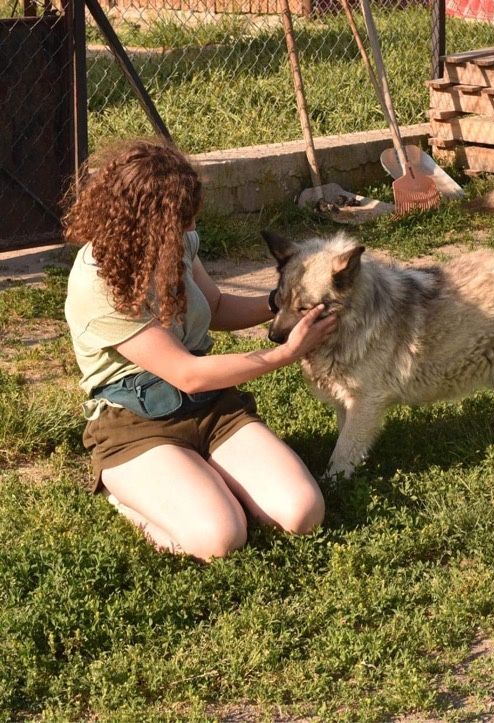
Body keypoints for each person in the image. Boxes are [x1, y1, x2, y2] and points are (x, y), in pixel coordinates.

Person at [63, 138, 336, 561]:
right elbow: (187, 372)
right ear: (146, 224)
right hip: (135, 422)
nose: (192, 230)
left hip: (208, 405)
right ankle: (130, 496)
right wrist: (287, 352)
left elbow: (219, 307)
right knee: (221, 539)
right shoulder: (96, 285)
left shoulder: (178, 245)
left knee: (303, 513)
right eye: (182, 222)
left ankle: (201, 477)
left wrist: (282, 304)